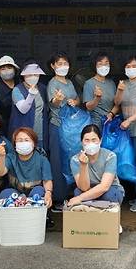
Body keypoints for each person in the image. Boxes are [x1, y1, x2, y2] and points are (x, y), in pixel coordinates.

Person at [109, 55, 136, 213]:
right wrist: (119, 92)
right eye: (128, 66)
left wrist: (130, 120)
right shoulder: (123, 84)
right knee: (128, 162)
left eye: (134, 66)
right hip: (125, 132)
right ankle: (135, 194)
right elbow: (117, 103)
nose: (131, 69)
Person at [47, 52, 82, 210]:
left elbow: (77, 99)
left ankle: (72, 194)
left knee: (71, 158)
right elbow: (53, 104)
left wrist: (75, 101)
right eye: (59, 63)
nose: (63, 67)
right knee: (57, 160)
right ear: (53, 66)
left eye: (65, 63)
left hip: (71, 128)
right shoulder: (52, 83)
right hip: (58, 125)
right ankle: (58, 198)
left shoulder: (69, 82)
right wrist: (58, 99)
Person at [67, 124, 125, 206]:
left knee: (109, 195)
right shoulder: (75, 160)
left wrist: (80, 198)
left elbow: (104, 186)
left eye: (94, 140)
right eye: (86, 140)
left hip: (109, 189)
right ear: (82, 142)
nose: (91, 143)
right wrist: (83, 166)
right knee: (77, 191)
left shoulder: (110, 156)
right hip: (88, 189)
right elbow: (84, 188)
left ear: (100, 141)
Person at [0, 127, 53, 208]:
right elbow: (0, 172)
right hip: (15, 192)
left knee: (39, 191)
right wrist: (1, 156)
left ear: (34, 143)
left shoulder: (42, 159)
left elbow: (47, 180)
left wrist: (48, 193)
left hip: (34, 192)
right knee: (5, 193)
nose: (23, 143)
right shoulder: (11, 157)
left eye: (27, 140)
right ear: (14, 144)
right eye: (20, 140)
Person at [9, 61, 49, 145]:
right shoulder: (17, 90)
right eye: (29, 74)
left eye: (36, 74)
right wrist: (31, 94)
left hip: (40, 133)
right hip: (23, 134)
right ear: (23, 75)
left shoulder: (43, 88)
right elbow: (23, 109)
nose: (33, 77)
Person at [83, 52, 116, 127]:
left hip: (109, 123)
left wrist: (111, 114)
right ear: (95, 66)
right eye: (100, 64)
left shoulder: (111, 83)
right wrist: (97, 98)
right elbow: (88, 107)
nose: (104, 66)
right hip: (96, 124)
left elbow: (117, 104)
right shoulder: (89, 83)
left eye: (106, 63)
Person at [0, 55, 19, 131]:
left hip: (19, 123)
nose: (6, 71)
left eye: (9, 68)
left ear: (14, 70)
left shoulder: (20, 84)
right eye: (3, 69)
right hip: (1, 125)